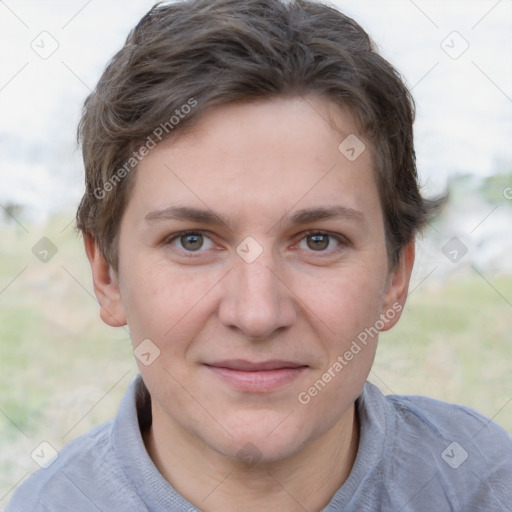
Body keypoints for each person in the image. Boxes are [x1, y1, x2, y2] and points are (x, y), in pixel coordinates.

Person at [7, 0, 512, 510]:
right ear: (106, 275)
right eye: (192, 240)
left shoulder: (485, 484)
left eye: (318, 240)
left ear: (396, 277)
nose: (256, 314)